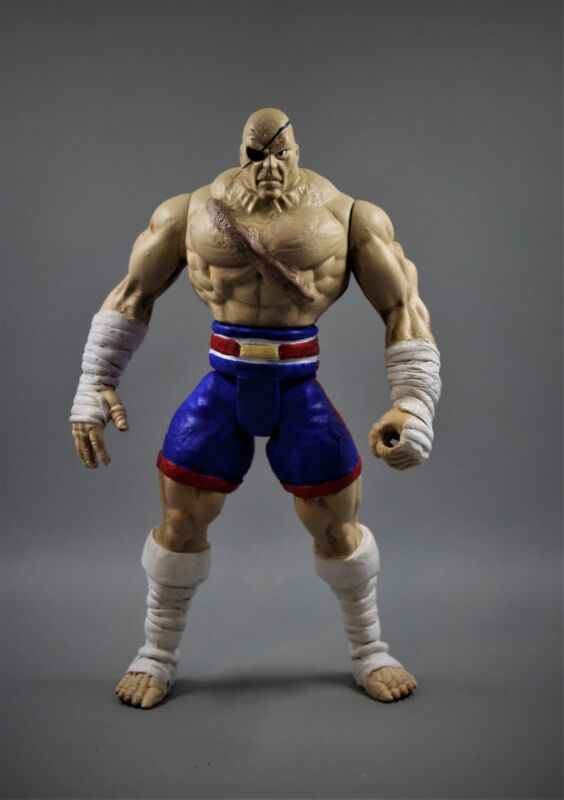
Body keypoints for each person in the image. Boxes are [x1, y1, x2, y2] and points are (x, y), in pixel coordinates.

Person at [70, 108, 441, 710]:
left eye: (280, 154)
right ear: (240, 152)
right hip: (223, 385)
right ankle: (155, 654)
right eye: (256, 155)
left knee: (337, 529)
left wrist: (413, 402)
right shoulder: (190, 211)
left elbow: (404, 307)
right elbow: (132, 294)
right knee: (180, 522)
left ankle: (371, 650)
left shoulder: (349, 216)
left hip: (298, 388)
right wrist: (95, 381)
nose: (269, 166)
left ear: (297, 150)